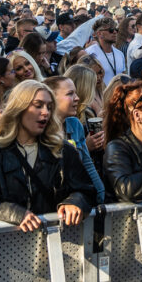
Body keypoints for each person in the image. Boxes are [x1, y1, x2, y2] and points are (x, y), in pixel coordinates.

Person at [0, 80, 96, 230]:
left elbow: (87, 190)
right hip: (7, 248)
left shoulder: (64, 151)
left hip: (58, 244)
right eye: (38, 105)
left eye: (49, 107)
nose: (45, 112)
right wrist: (10, 212)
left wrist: (75, 201)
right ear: (19, 108)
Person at [44, 76, 105, 204]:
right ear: (52, 99)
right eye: (70, 94)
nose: (77, 98)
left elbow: (87, 164)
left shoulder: (75, 124)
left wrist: (100, 195)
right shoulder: (41, 130)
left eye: (75, 93)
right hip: (57, 204)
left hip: (80, 198)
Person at [87, 17, 128, 81]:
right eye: (111, 30)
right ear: (99, 34)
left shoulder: (120, 54)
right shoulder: (89, 53)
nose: (115, 32)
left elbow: (123, 75)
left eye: (116, 30)